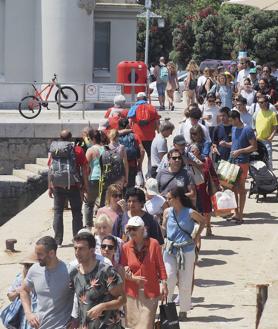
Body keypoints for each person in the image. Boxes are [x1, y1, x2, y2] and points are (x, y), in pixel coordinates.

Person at [162, 187, 205, 321]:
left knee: (185, 281)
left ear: (177, 198)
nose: (167, 201)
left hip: (186, 249)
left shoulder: (190, 212)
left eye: (169, 198)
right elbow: (164, 228)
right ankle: (167, 305)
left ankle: (184, 309)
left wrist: (196, 237)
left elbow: (203, 221)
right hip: (170, 249)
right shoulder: (167, 212)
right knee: (169, 277)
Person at [120, 216, 168, 329]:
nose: (131, 232)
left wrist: (164, 284)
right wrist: (129, 275)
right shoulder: (125, 247)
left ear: (143, 229)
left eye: (134, 229)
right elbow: (122, 268)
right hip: (131, 293)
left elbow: (160, 266)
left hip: (151, 292)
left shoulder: (154, 244)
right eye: (129, 229)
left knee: (146, 325)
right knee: (133, 326)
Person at [70, 232, 126, 329]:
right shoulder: (74, 273)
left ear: (92, 251)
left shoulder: (107, 272)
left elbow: (122, 300)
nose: (77, 252)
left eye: (81, 249)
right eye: (75, 248)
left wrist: (103, 306)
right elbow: (79, 303)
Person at [20, 236, 74, 329]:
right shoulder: (34, 270)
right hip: (40, 325)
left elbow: (82, 296)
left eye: (40, 254)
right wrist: (28, 313)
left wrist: (76, 318)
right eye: (36, 254)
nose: (37, 258)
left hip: (63, 325)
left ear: (52, 253)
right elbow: (24, 290)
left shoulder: (70, 271)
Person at [48, 129, 89, 247]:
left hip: (57, 185)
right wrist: (85, 186)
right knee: (76, 212)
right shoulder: (77, 150)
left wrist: (50, 187)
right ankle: (77, 239)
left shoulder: (55, 150)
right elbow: (84, 169)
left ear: (60, 138)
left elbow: (50, 169)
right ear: (71, 138)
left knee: (58, 213)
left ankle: (58, 241)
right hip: (74, 186)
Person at [220, 110, 257, 223]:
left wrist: (240, 151)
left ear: (236, 119)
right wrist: (226, 144)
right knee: (232, 188)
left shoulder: (247, 129)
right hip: (232, 161)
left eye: (231, 120)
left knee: (241, 189)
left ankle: (240, 215)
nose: (230, 123)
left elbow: (254, 147)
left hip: (242, 162)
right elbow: (235, 143)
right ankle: (236, 213)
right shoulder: (234, 128)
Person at [190, 143, 220, 236]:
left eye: (193, 151)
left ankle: (208, 227)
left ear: (198, 151)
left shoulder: (206, 160)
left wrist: (217, 185)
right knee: (196, 210)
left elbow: (213, 173)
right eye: (190, 151)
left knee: (207, 209)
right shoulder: (189, 161)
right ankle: (196, 230)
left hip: (205, 189)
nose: (191, 153)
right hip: (194, 189)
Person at [128, 92, 160, 177]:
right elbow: (157, 122)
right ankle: (149, 174)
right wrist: (158, 131)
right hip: (150, 136)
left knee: (138, 157)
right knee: (150, 156)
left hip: (137, 137)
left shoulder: (134, 107)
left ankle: (139, 176)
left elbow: (130, 122)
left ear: (137, 99)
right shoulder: (152, 108)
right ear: (146, 98)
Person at [4, 255, 37, 329]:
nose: (28, 269)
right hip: (22, 314)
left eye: (31, 266)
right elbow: (10, 297)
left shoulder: (43, 278)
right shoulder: (20, 278)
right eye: (26, 266)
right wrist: (18, 292)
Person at [99, 129, 129, 207]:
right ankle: (119, 209)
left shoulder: (105, 147)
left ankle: (109, 208)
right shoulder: (121, 147)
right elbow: (125, 163)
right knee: (119, 194)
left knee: (109, 193)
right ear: (117, 136)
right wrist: (126, 177)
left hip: (108, 175)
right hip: (119, 176)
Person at [84, 128, 104, 229]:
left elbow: (85, 167)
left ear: (92, 139)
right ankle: (102, 226)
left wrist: (84, 182)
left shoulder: (91, 150)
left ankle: (88, 227)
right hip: (105, 178)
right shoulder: (106, 148)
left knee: (89, 203)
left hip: (94, 178)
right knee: (103, 204)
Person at [118, 118, 145, 187]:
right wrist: (140, 164)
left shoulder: (115, 136)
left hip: (119, 166)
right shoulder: (134, 136)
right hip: (132, 165)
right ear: (128, 125)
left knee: (119, 188)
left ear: (119, 126)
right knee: (130, 187)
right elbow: (142, 150)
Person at [254, 95, 278, 170]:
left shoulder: (272, 114)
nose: (260, 104)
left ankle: (271, 178)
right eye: (258, 102)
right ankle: (261, 178)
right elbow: (253, 126)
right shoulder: (256, 113)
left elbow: (275, 127)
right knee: (258, 160)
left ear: (267, 102)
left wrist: (271, 137)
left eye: (261, 102)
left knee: (269, 160)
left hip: (266, 141)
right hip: (257, 141)